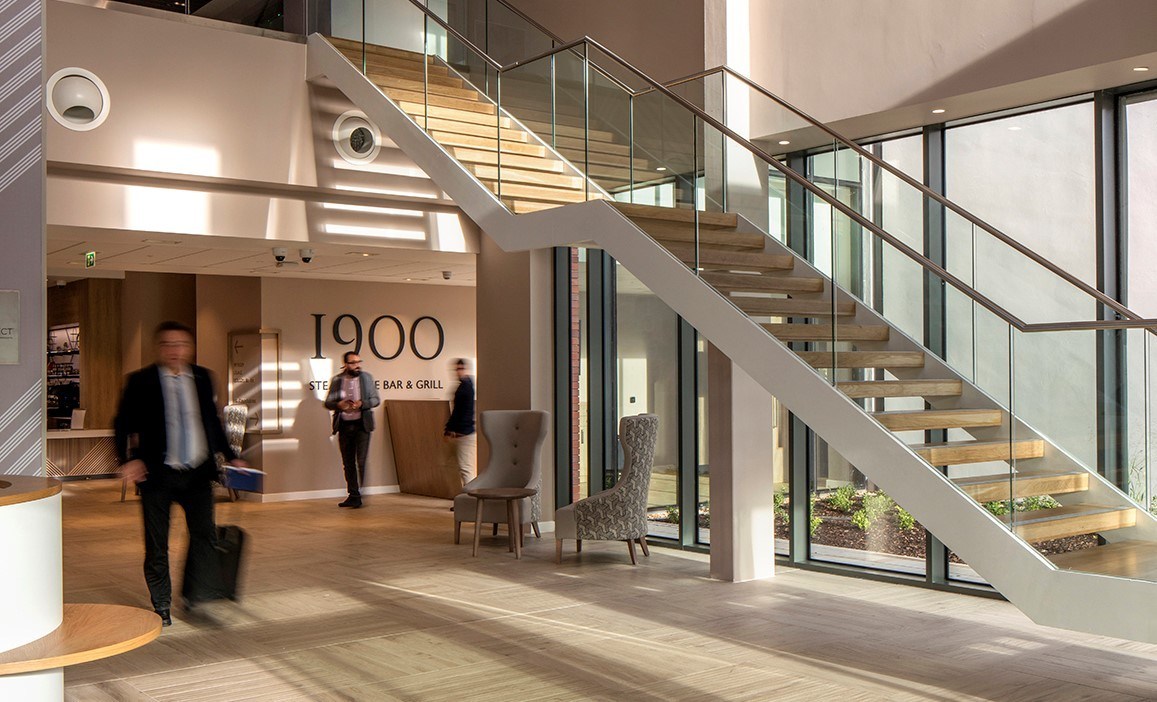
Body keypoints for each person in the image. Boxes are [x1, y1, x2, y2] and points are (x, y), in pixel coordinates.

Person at [115, 321, 245, 627]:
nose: (175, 351)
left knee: (204, 537)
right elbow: (122, 423)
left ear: (190, 348)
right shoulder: (140, 381)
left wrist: (231, 456)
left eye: (181, 344)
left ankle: (192, 593)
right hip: (157, 475)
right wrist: (128, 459)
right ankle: (161, 602)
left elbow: (212, 421)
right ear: (158, 348)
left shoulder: (202, 378)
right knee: (157, 544)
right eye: (168, 345)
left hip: (198, 474)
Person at [324, 351, 380, 508]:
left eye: (358, 362)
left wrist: (362, 403)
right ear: (345, 364)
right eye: (353, 363)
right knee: (348, 462)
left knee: (360, 461)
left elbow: (376, 399)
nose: (357, 365)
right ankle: (353, 494)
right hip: (344, 425)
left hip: (362, 426)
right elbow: (328, 402)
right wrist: (338, 405)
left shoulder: (366, 378)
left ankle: (360, 492)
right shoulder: (337, 380)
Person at [444, 358, 477, 488]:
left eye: (461, 369)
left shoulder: (466, 387)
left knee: (465, 468)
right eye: (457, 369)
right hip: (460, 433)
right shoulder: (463, 386)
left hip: (465, 434)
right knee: (456, 467)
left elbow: (460, 412)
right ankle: (464, 498)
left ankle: (470, 498)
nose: (458, 372)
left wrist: (449, 429)